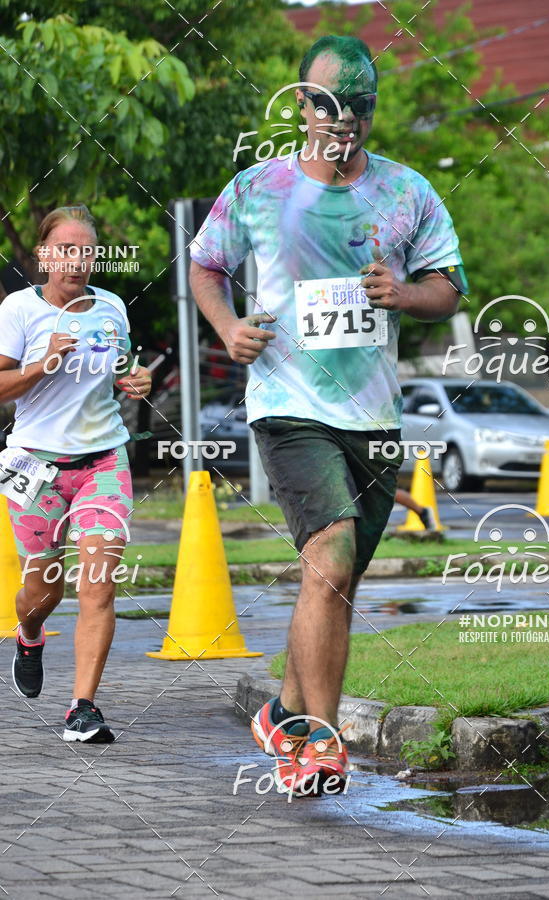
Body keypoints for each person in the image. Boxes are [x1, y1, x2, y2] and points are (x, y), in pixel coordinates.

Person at [189, 35, 468, 794]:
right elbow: (205, 264)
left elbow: (450, 285)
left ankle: (282, 710)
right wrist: (226, 327)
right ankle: (318, 745)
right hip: (287, 405)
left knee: (332, 578)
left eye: (362, 108)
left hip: (373, 416)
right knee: (333, 556)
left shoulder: (408, 192)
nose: (347, 122)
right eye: (331, 105)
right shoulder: (257, 188)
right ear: (303, 104)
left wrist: (405, 294)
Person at [0, 204, 152, 742]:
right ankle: (30, 633)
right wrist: (42, 363)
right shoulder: (19, 310)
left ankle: (82, 707)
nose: (77, 260)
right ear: (43, 255)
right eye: (64, 249)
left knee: (99, 585)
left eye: (86, 250)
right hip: (35, 464)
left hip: (104, 461)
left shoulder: (111, 307)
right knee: (44, 589)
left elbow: (117, 373)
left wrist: (133, 381)